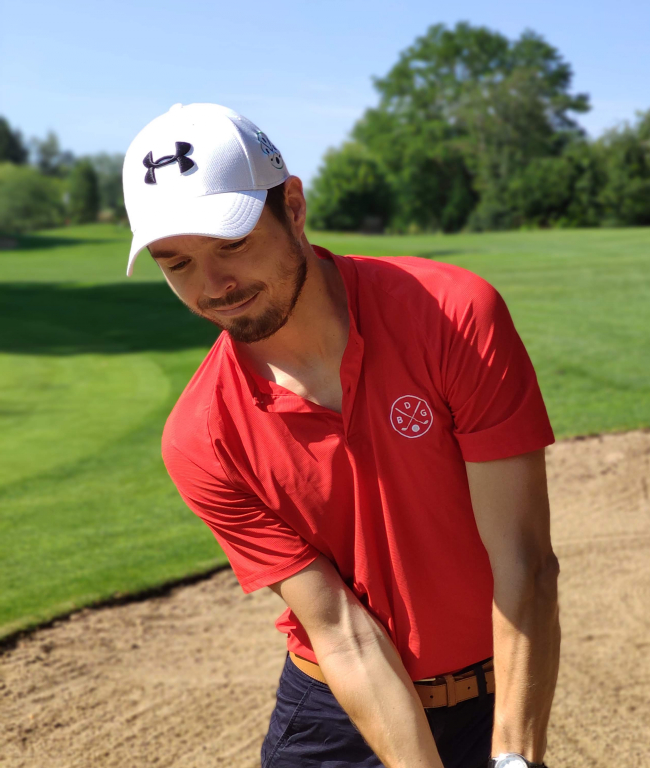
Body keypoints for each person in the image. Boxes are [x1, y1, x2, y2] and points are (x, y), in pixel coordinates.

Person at [122, 103, 560, 768]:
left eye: (231, 244)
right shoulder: (200, 438)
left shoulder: (451, 315)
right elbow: (344, 634)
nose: (213, 286)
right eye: (175, 262)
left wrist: (513, 757)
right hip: (333, 718)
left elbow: (524, 561)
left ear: (293, 206)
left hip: (491, 702)